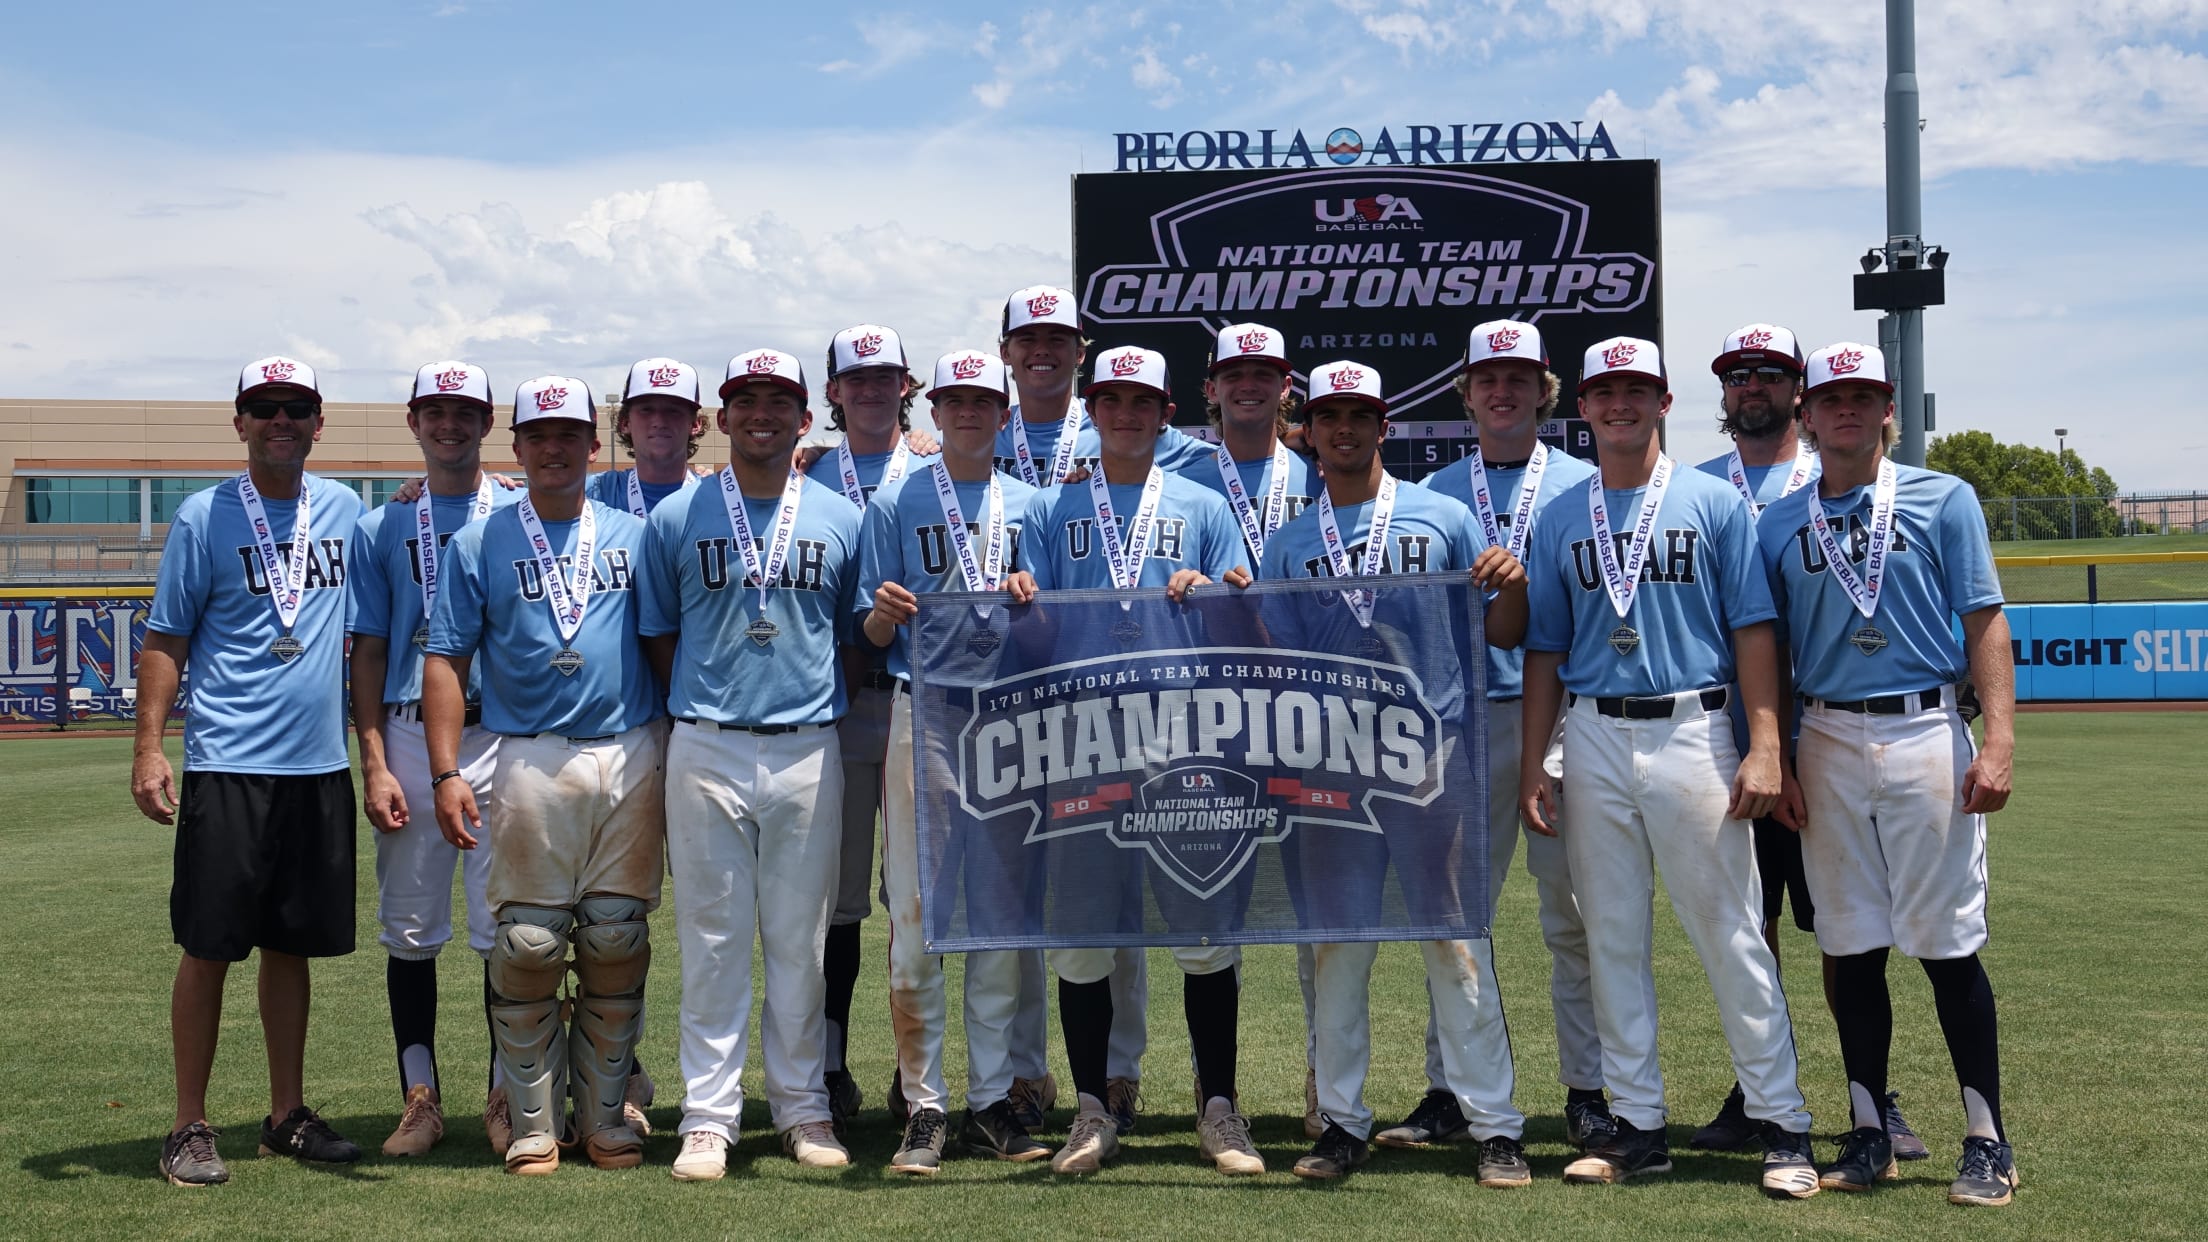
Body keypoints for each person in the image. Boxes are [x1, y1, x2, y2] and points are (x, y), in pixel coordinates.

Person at [1519, 337, 1819, 1197]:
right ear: (1582, 405)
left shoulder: (1711, 501)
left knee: (1729, 930)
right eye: (1604, 391)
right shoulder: (1562, 515)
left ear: (1664, 402)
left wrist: (1765, 744)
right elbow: (1544, 648)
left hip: (1694, 724)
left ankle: (1782, 1123)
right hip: (1595, 733)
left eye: (1636, 390)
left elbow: (1753, 631)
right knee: (1612, 936)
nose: (1619, 405)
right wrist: (1539, 759)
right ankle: (1638, 1127)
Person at [1757, 342, 2018, 1207]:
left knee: (1947, 947)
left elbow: (1984, 618)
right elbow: (1780, 649)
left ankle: (1987, 1140)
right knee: (1851, 946)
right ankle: (1868, 1131)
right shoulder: (1778, 521)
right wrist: (1784, 752)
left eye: (1863, 397)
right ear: (1807, 413)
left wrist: (2002, 739)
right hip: (1826, 738)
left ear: (1888, 408)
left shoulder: (1944, 498)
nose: (1846, 412)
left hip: (1924, 731)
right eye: (1831, 399)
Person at [1257, 359, 1530, 1185]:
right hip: (1329, 760)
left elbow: (1508, 632)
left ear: (1386, 426)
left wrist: (1511, 579)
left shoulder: (1442, 516)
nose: (1344, 431)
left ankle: (1495, 1125)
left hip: (1428, 758)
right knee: (1338, 945)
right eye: (1329, 418)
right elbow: (1269, 659)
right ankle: (1342, 1122)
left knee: (1452, 939)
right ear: (1307, 432)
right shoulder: (1290, 539)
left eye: (1360, 417)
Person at [1688, 323, 1927, 1159]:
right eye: (1738, 376)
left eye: (1771, 375)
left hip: (1824, 743)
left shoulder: (1824, 480)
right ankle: (1760, 1088)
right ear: (1722, 394)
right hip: (1723, 747)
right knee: (1744, 930)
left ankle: (1873, 1097)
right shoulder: (1694, 487)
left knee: (1845, 930)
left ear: (1802, 393)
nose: (1752, 388)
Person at [1019, 345, 1258, 1176]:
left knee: (1200, 928)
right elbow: (1038, 641)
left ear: (1166, 412)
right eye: (1111, 398)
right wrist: (1022, 604)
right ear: (1092, 407)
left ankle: (1220, 1110)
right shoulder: (1055, 509)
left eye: (1141, 400)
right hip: (1083, 737)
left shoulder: (1203, 503)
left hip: (1184, 736)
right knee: (1082, 934)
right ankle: (1092, 1109)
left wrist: (1225, 592)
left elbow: (1246, 636)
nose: (1125, 412)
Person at [424, 375, 665, 1176]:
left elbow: (665, 648)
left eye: (570, 434)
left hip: (627, 748)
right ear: (516, 448)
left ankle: (604, 1117)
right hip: (525, 753)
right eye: (538, 435)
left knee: (615, 935)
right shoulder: (477, 543)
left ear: (596, 446)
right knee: (527, 943)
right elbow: (447, 661)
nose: (555, 447)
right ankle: (532, 1120)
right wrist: (447, 771)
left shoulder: (636, 535)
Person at [137, 356, 365, 1186]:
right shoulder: (205, 517)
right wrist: (149, 747)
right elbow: (167, 638)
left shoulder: (345, 509)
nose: (281, 421)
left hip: (316, 766)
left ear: (317, 421)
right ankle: (187, 1124)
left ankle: (284, 1115)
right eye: (264, 408)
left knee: (289, 945)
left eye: (296, 407)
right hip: (229, 763)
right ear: (238, 422)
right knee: (208, 946)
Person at [640, 348, 863, 1180]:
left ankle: (802, 1107)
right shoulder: (679, 516)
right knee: (712, 937)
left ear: (806, 418)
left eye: (779, 400)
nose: (761, 413)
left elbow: (849, 631)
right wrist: (703, 706)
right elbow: (660, 631)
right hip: (706, 739)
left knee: (799, 941)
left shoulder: (842, 516)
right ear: (722, 417)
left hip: (809, 742)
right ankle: (709, 1116)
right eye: (746, 400)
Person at [1400, 321, 1612, 1154]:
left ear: (1544, 390)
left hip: (1562, 717)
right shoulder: (1436, 492)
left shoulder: (1587, 484)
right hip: (1464, 718)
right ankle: (1451, 1088)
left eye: (1518, 378)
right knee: (1456, 917)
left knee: (1573, 914)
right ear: (1466, 391)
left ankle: (1589, 1089)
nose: (1502, 391)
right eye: (1487, 378)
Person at [857, 348, 1051, 1175]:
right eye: (954, 400)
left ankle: (991, 1102)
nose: (968, 412)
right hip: (922, 708)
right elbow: (867, 637)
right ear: (931, 409)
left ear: (1004, 412)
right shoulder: (895, 501)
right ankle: (925, 1107)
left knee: (1000, 917)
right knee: (917, 916)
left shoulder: (1036, 504)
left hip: (1009, 717)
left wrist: (1033, 608)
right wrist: (883, 613)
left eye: (983, 400)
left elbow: (1055, 636)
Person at [350, 360, 520, 1158]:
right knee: (411, 932)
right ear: (413, 422)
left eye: (465, 412)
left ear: (488, 422)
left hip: (501, 736)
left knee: (506, 931)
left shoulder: (522, 512)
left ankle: (502, 1091)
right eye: (434, 412)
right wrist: (375, 759)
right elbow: (372, 650)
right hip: (413, 735)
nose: (449, 425)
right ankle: (420, 1097)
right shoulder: (383, 526)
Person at [1180, 322, 1326, 1137]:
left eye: (1263, 373)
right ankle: (1213, 1092)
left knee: (1315, 908)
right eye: (1233, 373)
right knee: (1211, 904)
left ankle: (1321, 1077)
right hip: (1211, 714)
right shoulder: (1178, 476)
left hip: (1305, 712)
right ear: (1211, 387)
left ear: (1286, 385)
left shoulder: (1320, 472)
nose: (1247, 385)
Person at [805, 324, 933, 1135]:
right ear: (834, 394)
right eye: (857, 380)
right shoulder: (809, 470)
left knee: (916, 898)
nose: (873, 390)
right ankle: (830, 1060)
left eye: (887, 377)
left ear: (907, 385)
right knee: (842, 898)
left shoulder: (935, 465)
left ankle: (912, 1071)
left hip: (926, 699)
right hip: (845, 697)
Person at [588, 357, 708, 518]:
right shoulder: (593, 491)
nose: (659, 422)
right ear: (625, 422)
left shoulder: (714, 495)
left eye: (673, 411)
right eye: (646, 410)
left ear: (694, 424)